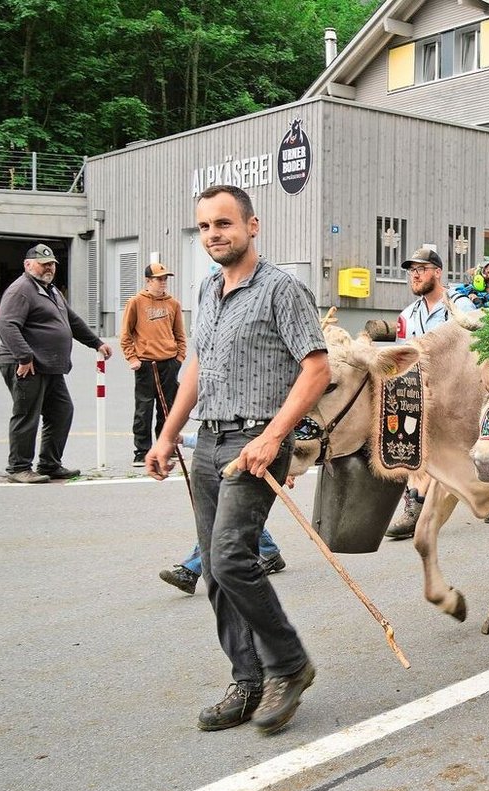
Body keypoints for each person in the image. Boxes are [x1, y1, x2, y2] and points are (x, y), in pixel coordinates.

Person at [146, 184, 327, 734]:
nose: (213, 235)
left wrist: (275, 437)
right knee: (215, 574)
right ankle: (247, 680)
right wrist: (167, 435)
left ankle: (289, 664)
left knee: (228, 558)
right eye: (204, 227)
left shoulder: (281, 289)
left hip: (255, 445)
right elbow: (197, 368)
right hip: (207, 443)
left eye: (223, 224)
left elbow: (316, 369)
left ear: (253, 225)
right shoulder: (206, 289)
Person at [0, 243, 114, 483]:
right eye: (43, 263)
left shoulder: (50, 290)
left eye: (51, 264)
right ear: (28, 265)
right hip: (27, 365)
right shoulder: (21, 289)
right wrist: (24, 356)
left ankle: (50, 464)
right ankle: (19, 467)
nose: (49, 268)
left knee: (61, 411)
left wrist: (96, 343)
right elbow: (6, 324)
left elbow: (72, 320)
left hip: (49, 366)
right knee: (27, 415)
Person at [385, 244, 471, 539]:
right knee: (416, 445)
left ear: (437, 272)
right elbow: (400, 355)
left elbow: (471, 352)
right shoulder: (407, 315)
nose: (415, 276)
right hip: (419, 391)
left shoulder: (460, 307)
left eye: (421, 270)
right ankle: (414, 504)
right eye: (411, 271)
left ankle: (421, 504)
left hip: (455, 392)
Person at [160, 433, 284, 594]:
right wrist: (183, 439)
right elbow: (213, 439)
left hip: (249, 471)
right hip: (225, 471)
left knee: (226, 522)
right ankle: (270, 552)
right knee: (239, 519)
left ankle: (190, 571)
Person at [120, 262, 187, 466]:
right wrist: (132, 358)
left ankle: (167, 446)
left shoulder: (173, 304)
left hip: (169, 362)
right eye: (159, 279)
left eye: (165, 279)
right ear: (148, 281)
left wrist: (179, 358)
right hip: (146, 364)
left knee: (168, 408)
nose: (163, 283)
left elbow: (179, 334)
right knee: (144, 408)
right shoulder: (136, 302)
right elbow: (125, 334)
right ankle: (141, 451)